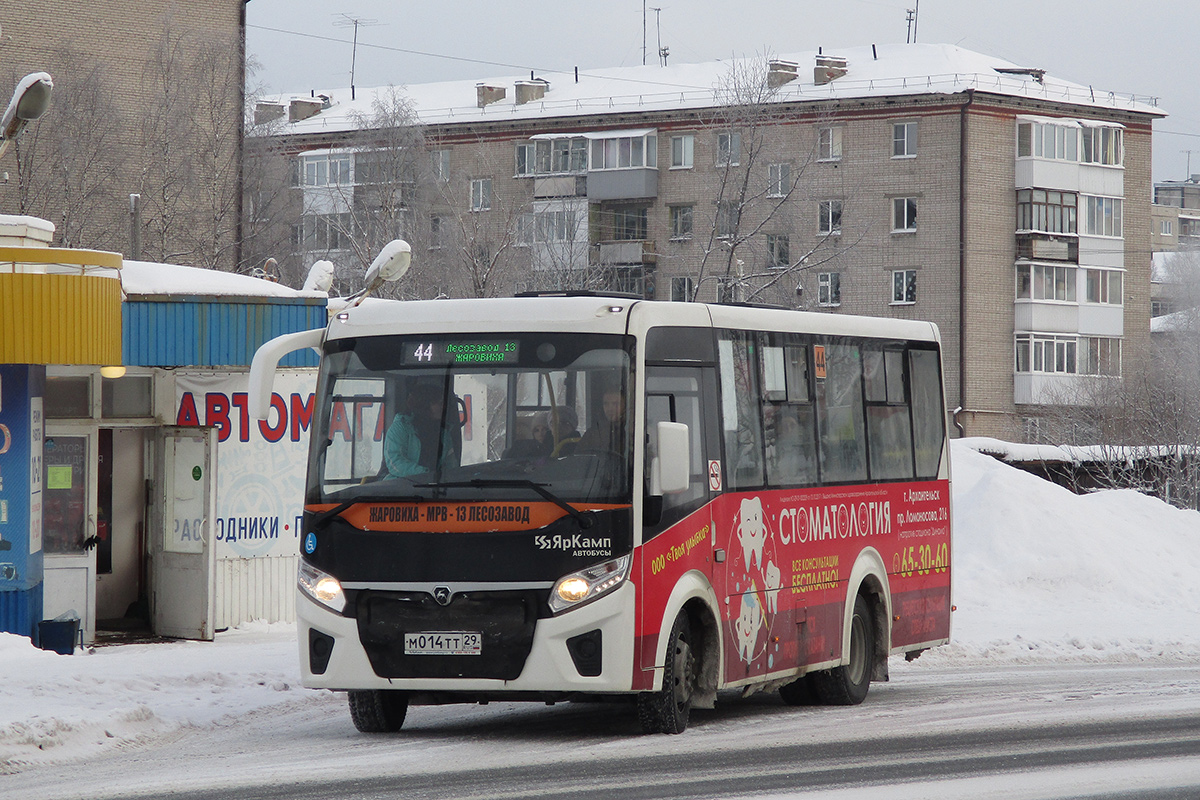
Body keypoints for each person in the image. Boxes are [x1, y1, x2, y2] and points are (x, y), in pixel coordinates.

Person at [383, 383, 459, 478]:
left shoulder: (444, 432)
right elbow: (395, 463)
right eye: (439, 403)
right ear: (425, 405)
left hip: (435, 487)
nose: (443, 407)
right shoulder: (401, 428)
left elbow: (450, 463)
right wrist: (426, 474)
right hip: (400, 487)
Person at [578, 387, 627, 453]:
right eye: (606, 404)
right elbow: (579, 457)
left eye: (615, 404)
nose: (610, 408)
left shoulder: (630, 432)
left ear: (624, 407)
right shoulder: (593, 433)